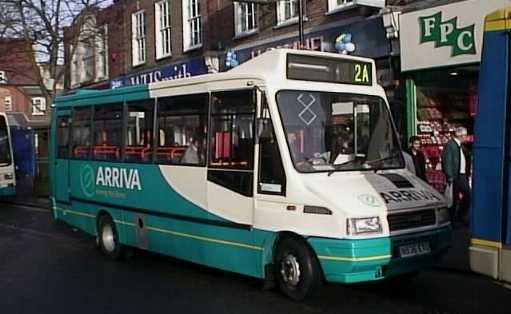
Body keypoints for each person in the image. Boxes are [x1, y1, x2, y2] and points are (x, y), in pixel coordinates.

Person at [441, 127, 471, 226]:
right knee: (454, 198)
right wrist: (449, 175)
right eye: (465, 135)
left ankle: (459, 216)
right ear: (461, 136)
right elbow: (447, 160)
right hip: (456, 175)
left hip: (462, 175)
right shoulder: (451, 145)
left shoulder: (460, 146)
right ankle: (454, 219)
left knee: (465, 196)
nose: (466, 138)